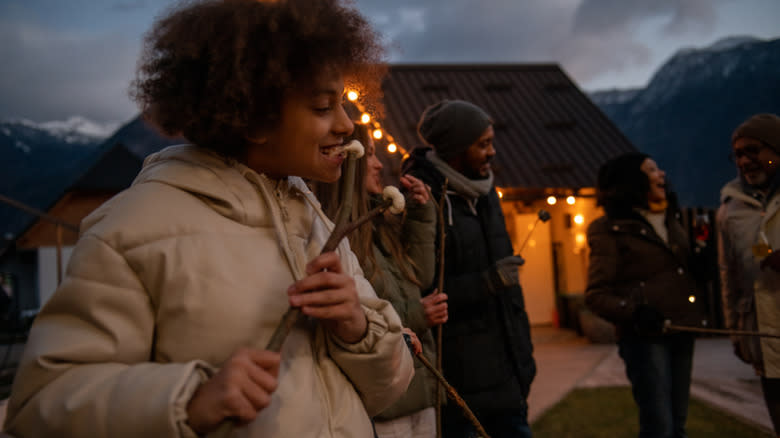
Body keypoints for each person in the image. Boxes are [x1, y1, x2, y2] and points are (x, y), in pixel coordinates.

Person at [3, 1, 414, 437]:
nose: (347, 125)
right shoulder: (131, 229)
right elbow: (41, 403)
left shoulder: (315, 220)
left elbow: (387, 391)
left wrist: (356, 328)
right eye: (321, 107)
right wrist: (187, 399)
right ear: (255, 116)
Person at [401, 99, 536, 438]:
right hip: (461, 384)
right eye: (483, 144)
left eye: (491, 141)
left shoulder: (487, 193)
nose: (492, 152)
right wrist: (487, 282)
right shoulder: (421, 199)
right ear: (457, 149)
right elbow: (420, 289)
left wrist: (524, 360)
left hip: (509, 377)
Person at [314, 118, 447, 438]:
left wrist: (421, 213)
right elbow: (349, 314)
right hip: (383, 399)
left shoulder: (382, 220)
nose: (377, 165)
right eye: (370, 155)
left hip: (418, 383)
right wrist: (417, 315)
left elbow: (420, 275)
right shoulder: (332, 234)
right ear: (349, 161)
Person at [585, 152, 708, 438]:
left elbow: (675, 274)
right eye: (652, 170)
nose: (662, 174)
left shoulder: (670, 218)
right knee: (659, 426)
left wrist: (701, 269)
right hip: (645, 338)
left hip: (681, 329)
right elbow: (596, 295)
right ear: (633, 181)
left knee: (677, 424)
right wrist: (636, 313)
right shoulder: (608, 229)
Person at [718, 113, 780, 436]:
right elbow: (730, 274)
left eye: (752, 151)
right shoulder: (730, 209)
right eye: (738, 154)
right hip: (766, 341)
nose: (744, 161)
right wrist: (737, 332)